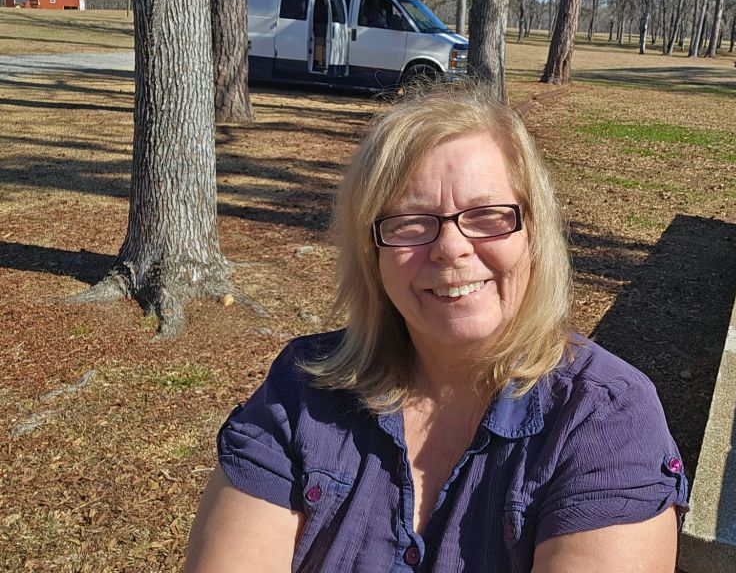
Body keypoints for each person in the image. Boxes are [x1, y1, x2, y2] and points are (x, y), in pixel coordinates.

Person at [184, 87, 688, 572]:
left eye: (488, 215)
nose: (451, 248)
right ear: (372, 251)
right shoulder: (302, 392)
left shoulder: (604, 420)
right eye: (409, 221)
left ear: (533, 233)